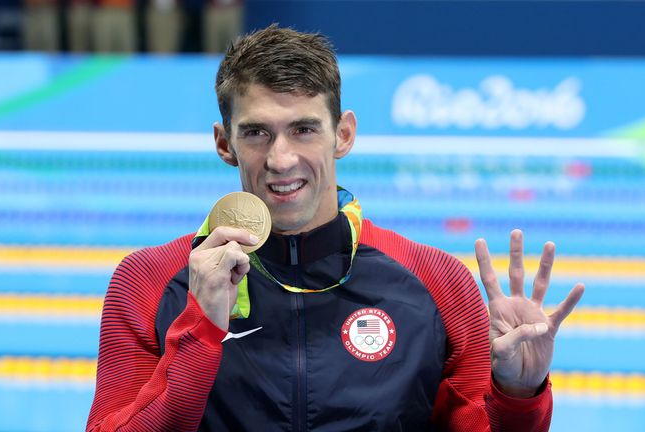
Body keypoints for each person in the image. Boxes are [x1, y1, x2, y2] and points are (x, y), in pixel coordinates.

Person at [86, 25, 585, 431]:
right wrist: (201, 329)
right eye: (257, 133)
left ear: (343, 134)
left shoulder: (437, 283)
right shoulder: (149, 282)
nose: (281, 159)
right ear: (224, 144)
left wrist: (519, 394)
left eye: (304, 129)